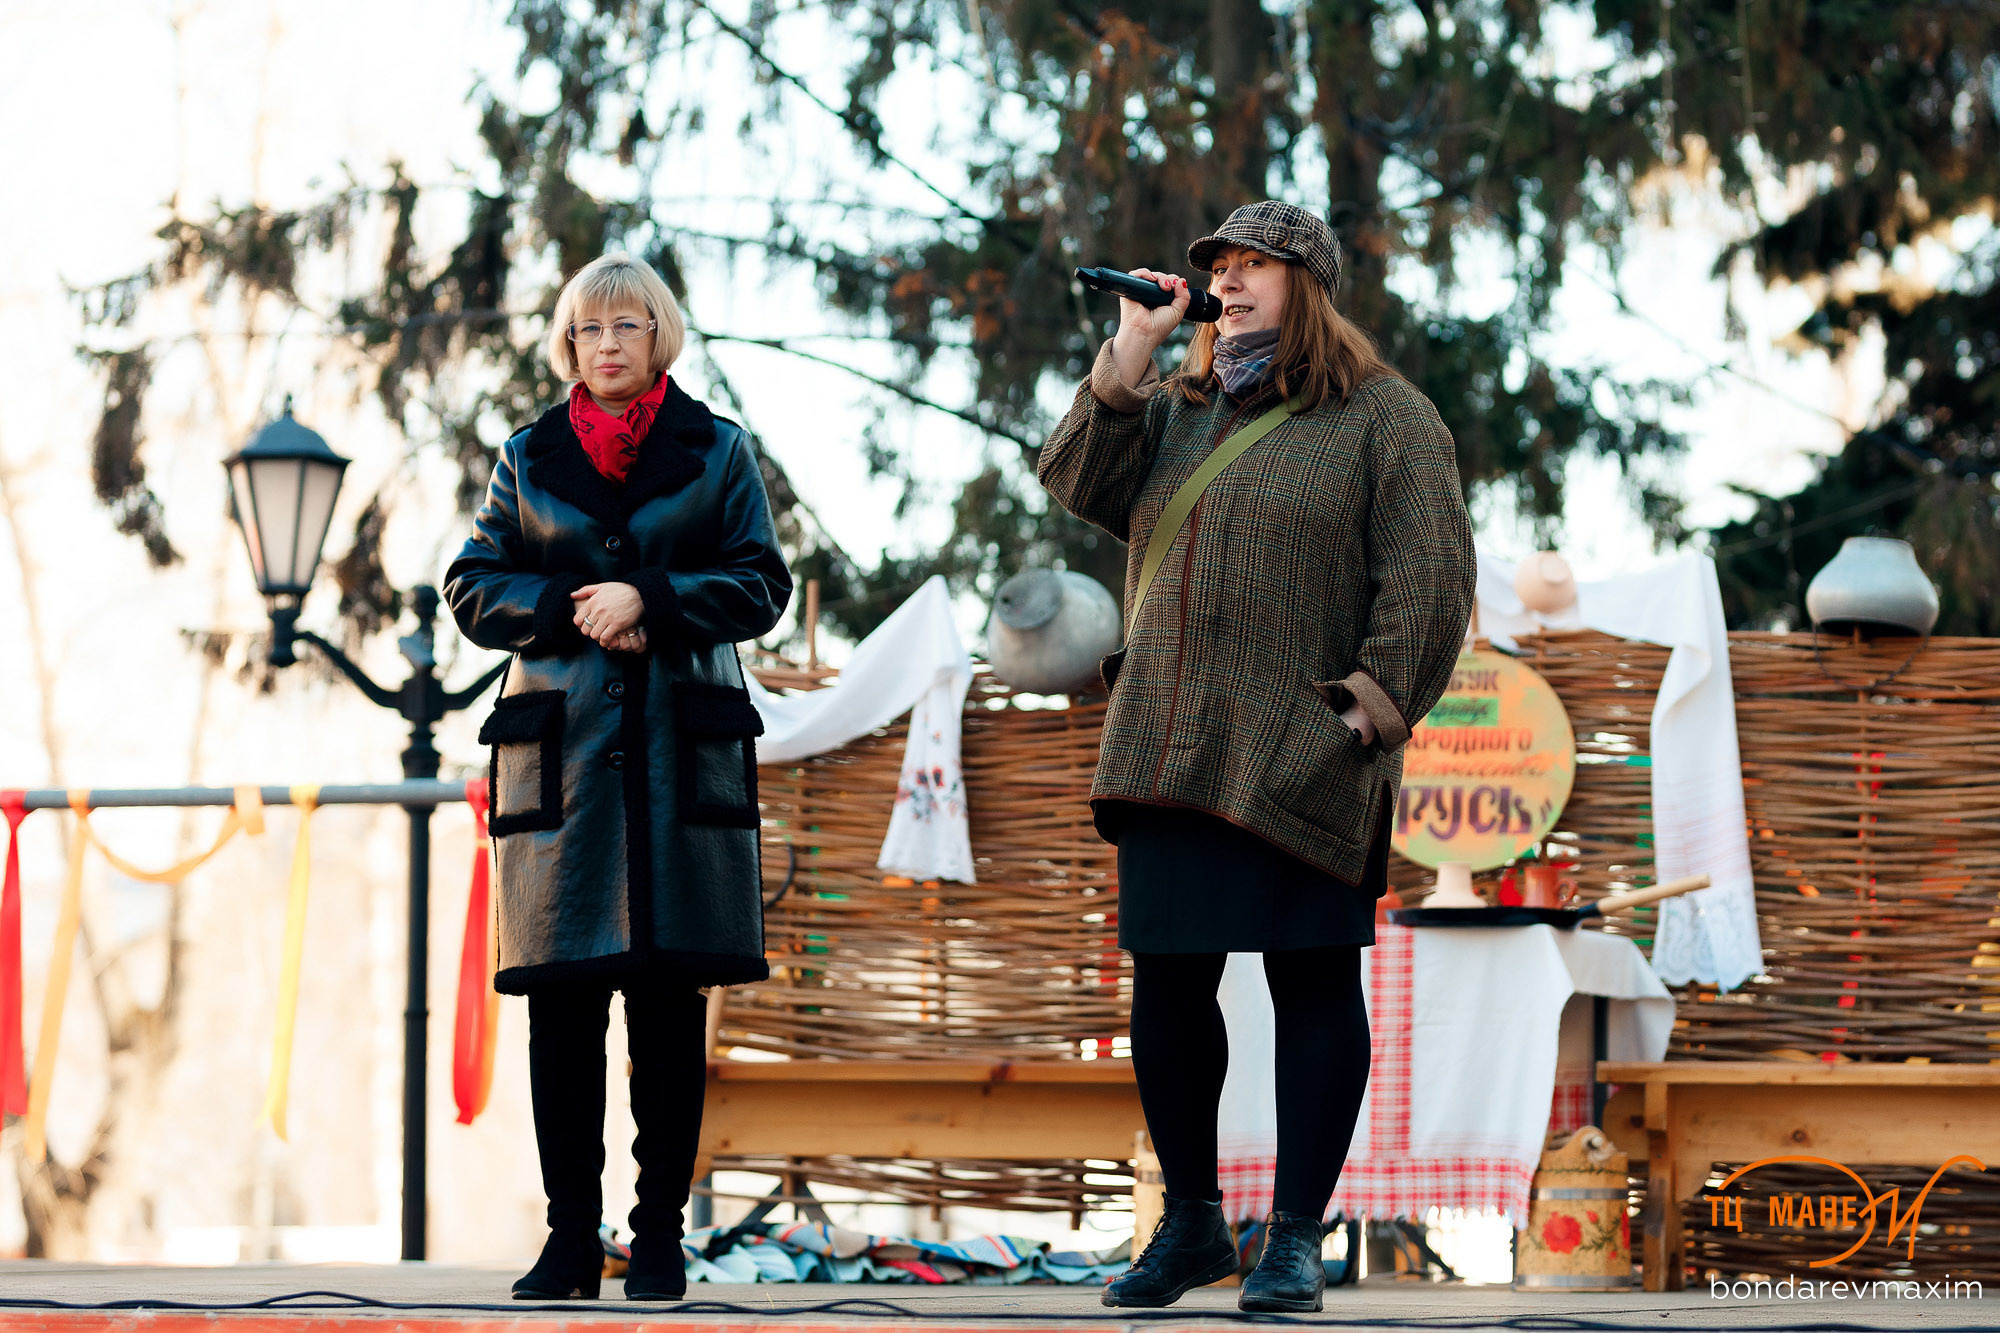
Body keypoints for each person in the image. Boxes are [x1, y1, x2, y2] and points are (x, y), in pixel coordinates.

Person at [1038, 201, 1474, 1312]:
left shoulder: (1385, 417)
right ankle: (1189, 1225)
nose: (1227, 287)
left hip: (1302, 754)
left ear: (1309, 286)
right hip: (1170, 744)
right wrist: (1129, 352)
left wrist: (1362, 714)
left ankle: (1289, 1236)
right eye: (1218, 270)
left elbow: (1428, 582)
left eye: (1254, 270)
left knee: (1311, 982)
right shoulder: (1175, 410)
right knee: (1170, 983)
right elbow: (1074, 480)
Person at [444, 252, 791, 1301]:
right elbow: (472, 584)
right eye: (589, 329)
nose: (607, 344)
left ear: (658, 338)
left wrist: (649, 596)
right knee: (561, 1007)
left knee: (665, 1008)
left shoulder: (718, 450)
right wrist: (562, 609)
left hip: (676, 757)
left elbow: (759, 582)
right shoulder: (525, 455)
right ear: (568, 344)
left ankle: (658, 1240)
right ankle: (565, 1237)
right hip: (562, 767)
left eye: (627, 326)